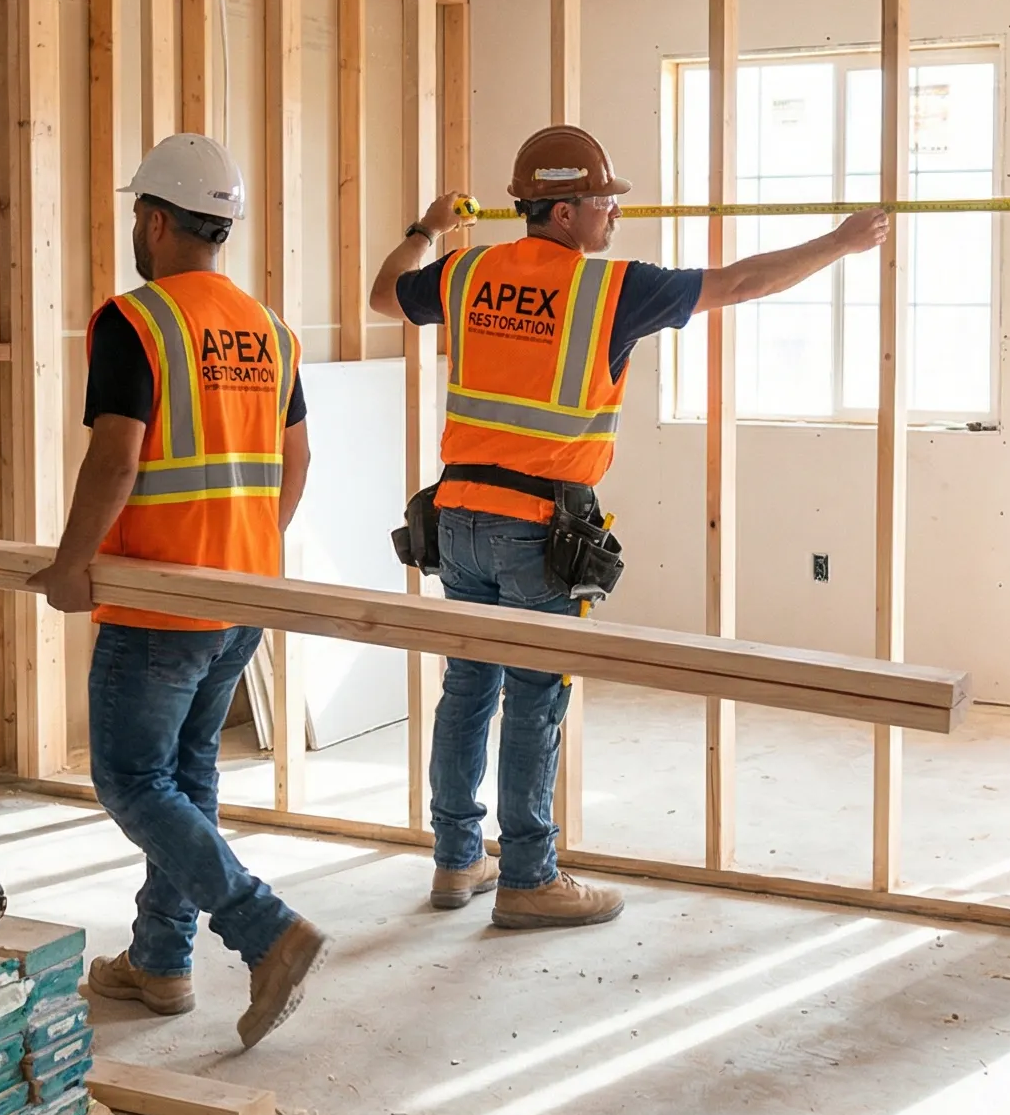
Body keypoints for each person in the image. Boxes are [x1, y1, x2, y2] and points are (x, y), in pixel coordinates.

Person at [368, 124, 889, 928]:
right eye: (605, 201)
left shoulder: (467, 272)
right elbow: (742, 283)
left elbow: (383, 294)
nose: (615, 213)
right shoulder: (610, 290)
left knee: (467, 688)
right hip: (537, 529)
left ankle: (456, 857)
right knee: (536, 697)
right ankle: (528, 878)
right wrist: (842, 242)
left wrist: (427, 229)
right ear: (565, 211)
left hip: (458, 517)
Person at [28, 133, 324, 1051]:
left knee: (129, 779)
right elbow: (297, 461)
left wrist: (72, 565)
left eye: (136, 215)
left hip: (159, 601)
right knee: (188, 778)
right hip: (243, 596)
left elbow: (116, 458)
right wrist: (247, 549)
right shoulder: (269, 328)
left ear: (155, 222)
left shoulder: (136, 320)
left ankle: (266, 928)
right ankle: (161, 960)